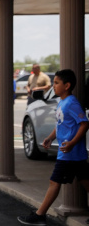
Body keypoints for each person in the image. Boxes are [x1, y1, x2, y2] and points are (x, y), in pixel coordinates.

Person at [17, 69, 89, 226]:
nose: (53, 86)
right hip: (69, 153)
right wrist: (50, 138)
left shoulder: (71, 103)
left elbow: (84, 124)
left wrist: (71, 143)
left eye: (56, 83)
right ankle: (40, 215)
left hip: (69, 153)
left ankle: (40, 215)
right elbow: (60, 124)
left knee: (54, 182)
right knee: (85, 180)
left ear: (67, 85)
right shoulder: (62, 102)